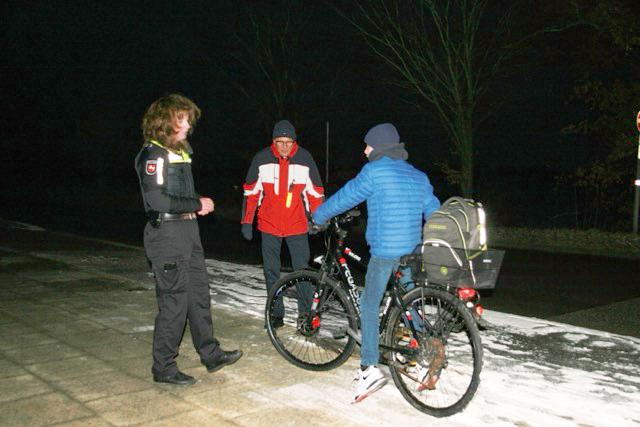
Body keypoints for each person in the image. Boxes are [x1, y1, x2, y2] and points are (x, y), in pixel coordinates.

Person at [311, 123, 440, 403]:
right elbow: (434, 211)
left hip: (385, 253)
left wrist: (318, 217)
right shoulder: (418, 176)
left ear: (379, 146)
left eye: (368, 145)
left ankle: (369, 369)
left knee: (369, 306)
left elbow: (346, 196)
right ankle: (425, 354)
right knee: (407, 303)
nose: (365, 149)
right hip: (411, 253)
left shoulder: (375, 171)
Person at [135, 93, 242, 386]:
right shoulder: (153, 154)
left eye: (188, 120)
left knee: (198, 295)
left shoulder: (180, 151)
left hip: (188, 231)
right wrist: (196, 203)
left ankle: (210, 353)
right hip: (167, 235)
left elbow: (180, 193)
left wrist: (195, 206)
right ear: (164, 122)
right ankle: (164, 366)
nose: (187, 126)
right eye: (181, 120)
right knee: (174, 302)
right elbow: (156, 199)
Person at [241, 120, 324, 325]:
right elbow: (251, 193)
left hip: (297, 226)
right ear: (273, 141)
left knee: (302, 272)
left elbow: (315, 193)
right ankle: (276, 313)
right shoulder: (261, 159)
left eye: (289, 142)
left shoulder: (305, 158)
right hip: (269, 225)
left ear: (294, 141)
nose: (285, 146)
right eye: (280, 141)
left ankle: (305, 315)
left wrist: (319, 219)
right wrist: (246, 222)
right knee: (271, 271)